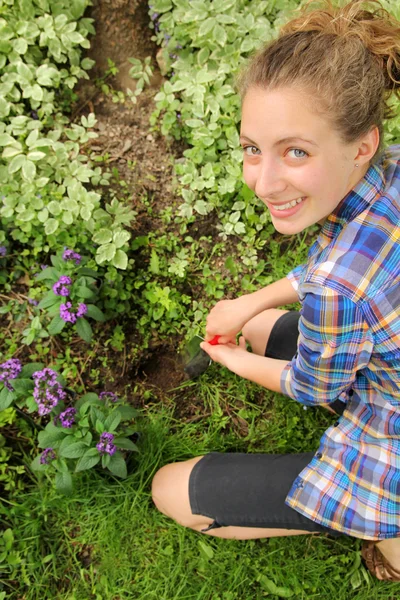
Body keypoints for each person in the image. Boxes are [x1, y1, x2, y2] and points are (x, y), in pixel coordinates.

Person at [152, 0, 400, 581]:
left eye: (296, 152)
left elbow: (312, 385)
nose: (264, 181)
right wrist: (253, 303)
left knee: (170, 490)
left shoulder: (338, 291)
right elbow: (347, 267)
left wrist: (231, 359)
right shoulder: (388, 171)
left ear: (360, 145)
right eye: (251, 148)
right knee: (264, 326)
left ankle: (384, 532)